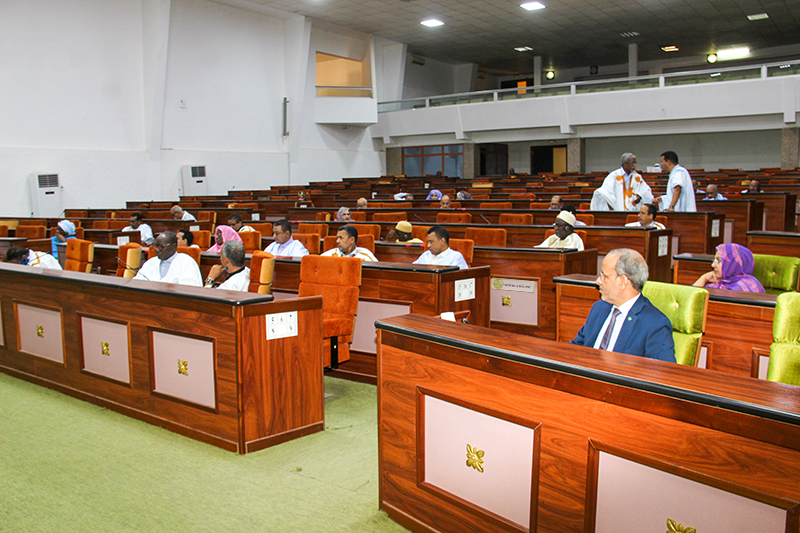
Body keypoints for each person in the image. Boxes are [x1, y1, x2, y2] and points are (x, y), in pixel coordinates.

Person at [571, 248, 676, 362]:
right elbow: (576, 348)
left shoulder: (655, 324)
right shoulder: (599, 308)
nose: (598, 281)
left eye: (604, 276)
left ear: (623, 281)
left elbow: (661, 373)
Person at [133, 232, 202, 286]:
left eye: (161, 246)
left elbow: (193, 287)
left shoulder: (186, 262)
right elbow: (136, 282)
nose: (157, 249)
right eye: (156, 246)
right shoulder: (151, 262)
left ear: (173, 246)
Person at [693, 243, 765, 293]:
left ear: (733, 264)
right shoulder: (722, 283)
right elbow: (690, 298)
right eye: (714, 260)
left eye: (719, 261)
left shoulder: (746, 286)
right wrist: (704, 278)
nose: (713, 265)